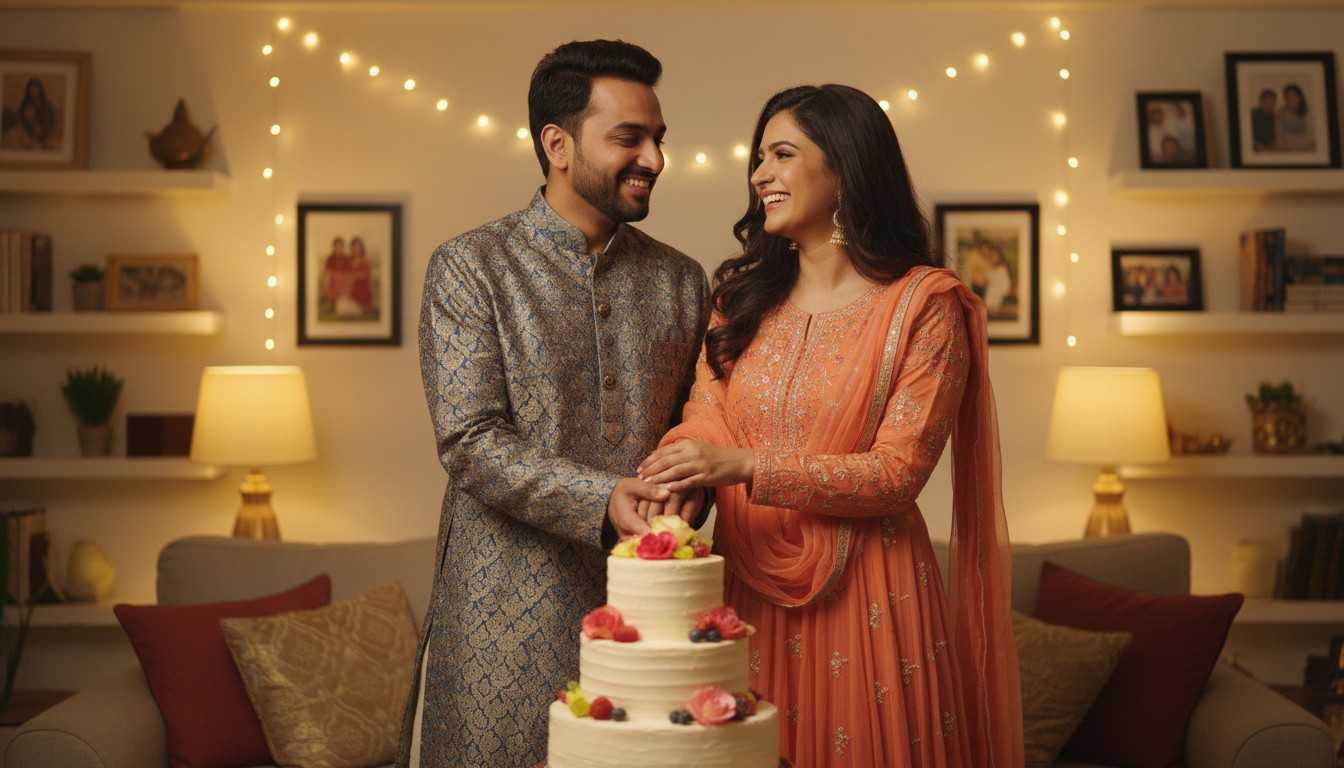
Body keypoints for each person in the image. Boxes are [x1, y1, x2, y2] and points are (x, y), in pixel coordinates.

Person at [638, 84, 1023, 767]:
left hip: (871, 591)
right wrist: (679, 471)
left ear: (845, 167)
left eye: (782, 155)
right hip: (746, 584)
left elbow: (897, 474)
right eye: (759, 158)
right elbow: (708, 417)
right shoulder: (740, 301)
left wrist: (745, 466)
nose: (760, 175)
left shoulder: (923, 306)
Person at [399, 39, 710, 768]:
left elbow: (696, 428)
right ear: (558, 145)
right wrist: (604, 498)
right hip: (503, 612)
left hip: (648, 611)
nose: (654, 159)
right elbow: (470, 439)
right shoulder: (473, 267)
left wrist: (692, 489)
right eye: (629, 138)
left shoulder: (681, 281)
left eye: (658, 139)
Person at [1278, 83, 1314, 152]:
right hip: (1287, 147)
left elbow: (1310, 134)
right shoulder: (1282, 113)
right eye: (1288, 96)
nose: (1291, 99)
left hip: (1304, 146)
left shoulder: (1306, 112)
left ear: (1299, 97)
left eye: (1293, 96)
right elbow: (1279, 133)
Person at [347, 235, 374, 314]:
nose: (356, 249)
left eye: (358, 247)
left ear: (362, 248)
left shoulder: (365, 261)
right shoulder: (349, 261)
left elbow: (366, 274)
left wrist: (355, 276)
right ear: (351, 248)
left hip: (363, 292)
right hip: (352, 292)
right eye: (354, 247)